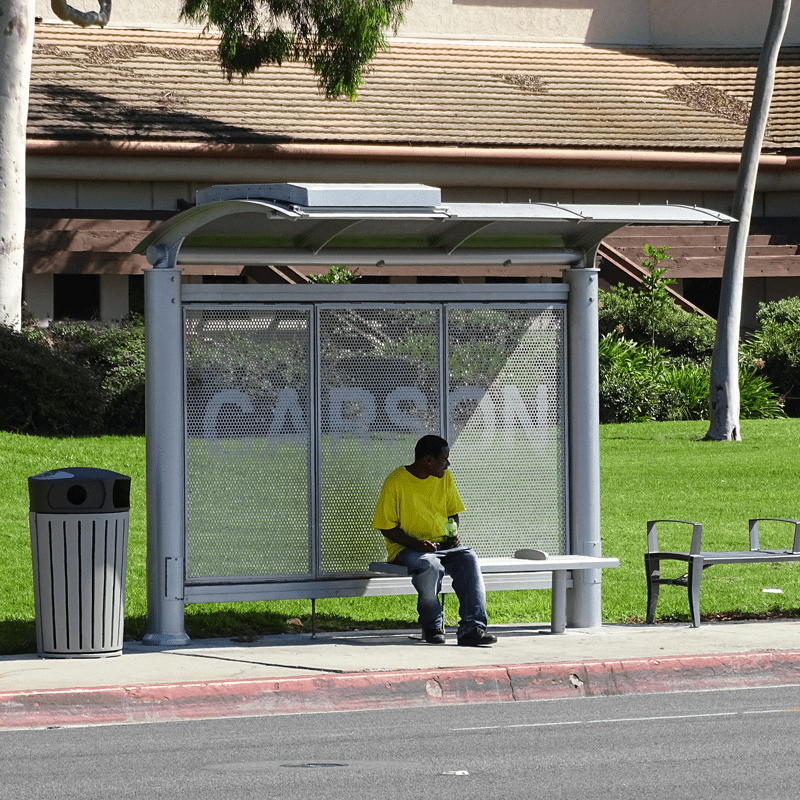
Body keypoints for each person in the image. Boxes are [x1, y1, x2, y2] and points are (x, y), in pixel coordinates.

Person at [372, 434, 497, 647]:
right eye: (444, 459)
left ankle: (472, 628)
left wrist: (452, 534)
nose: (448, 464)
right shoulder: (396, 481)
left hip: (442, 546)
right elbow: (386, 527)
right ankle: (433, 625)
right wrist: (417, 544)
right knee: (430, 565)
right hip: (407, 550)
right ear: (428, 460)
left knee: (469, 558)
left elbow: (452, 513)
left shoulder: (444, 478)